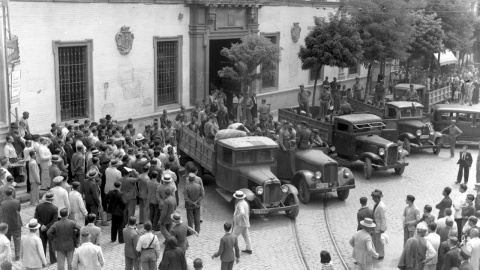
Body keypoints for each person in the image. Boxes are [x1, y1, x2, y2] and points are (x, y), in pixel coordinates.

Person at [34, 191, 58, 264]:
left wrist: (42, 226)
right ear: (52, 199)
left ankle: (42, 259)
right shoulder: (55, 208)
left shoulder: (38, 206)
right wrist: (47, 227)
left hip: (41, 228)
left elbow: (36, 218)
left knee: (42, 244)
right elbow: (55, 220)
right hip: (50, 229)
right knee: (51, 244)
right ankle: (53, 259)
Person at [0, 189, 21, 261]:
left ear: (5, 194)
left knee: (7, 239)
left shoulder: (3, 203)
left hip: (7, 223)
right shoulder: (17, 202)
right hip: (16, 222)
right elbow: (19, 210)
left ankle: (8, 253)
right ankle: (17, 254)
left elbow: (2, 213)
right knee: (17, 239)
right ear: (12, 193)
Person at [371, 189, 386, 259]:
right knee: (376, 240)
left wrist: (382, 229)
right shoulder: (376, 204)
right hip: (375, 225)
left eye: (374, 198)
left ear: (377, 198)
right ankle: (377, 253)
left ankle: (381, 254)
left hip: (379, 227)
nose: (373, 199)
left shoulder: (381, 206)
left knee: (379, 241)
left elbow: (383, 218)